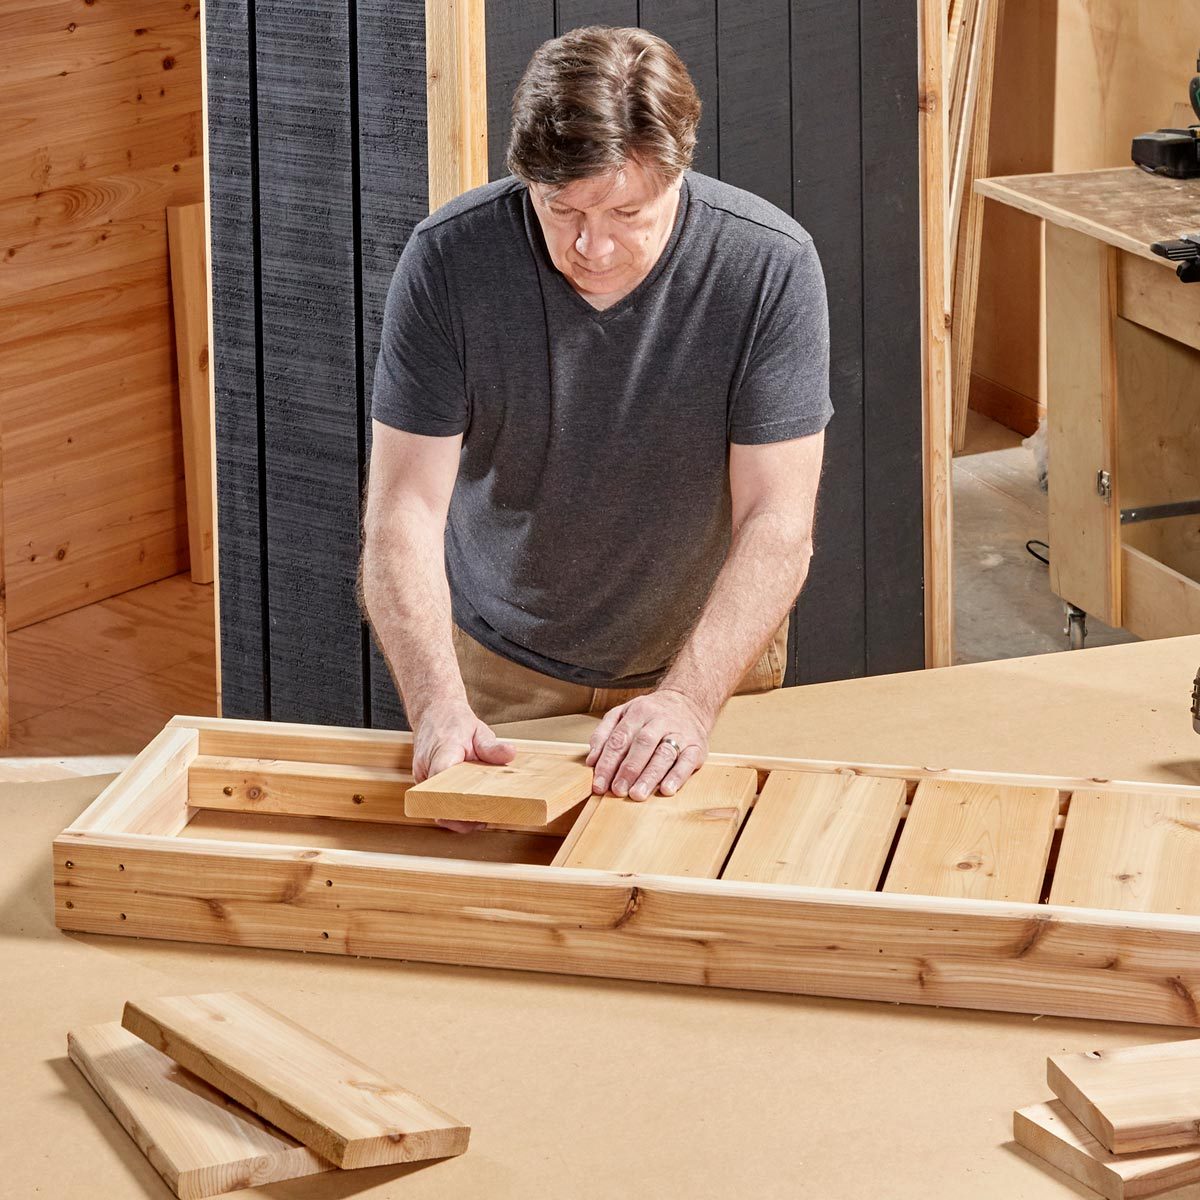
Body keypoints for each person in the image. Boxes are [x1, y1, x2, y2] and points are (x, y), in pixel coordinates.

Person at [361, 25, 831, 817]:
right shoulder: (448, 261)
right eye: (561, 209)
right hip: (498, 668)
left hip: (706, 658)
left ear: (678, 173)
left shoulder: (770, 267)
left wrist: (688, 698)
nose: (593, 246)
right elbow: (402, 511)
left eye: (626, 211)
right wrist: (438, 704)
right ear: (527, 183)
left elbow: (778, 520)